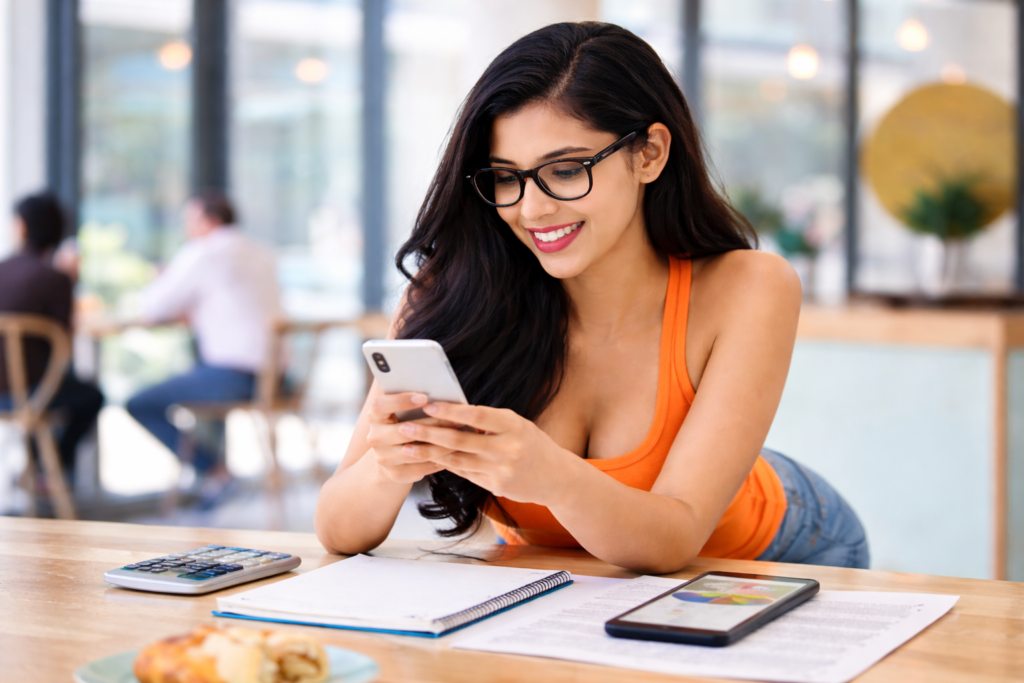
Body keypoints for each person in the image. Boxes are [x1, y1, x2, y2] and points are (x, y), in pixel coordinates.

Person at [315, 22, 869, 573]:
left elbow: (674, 538)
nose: (531, 210)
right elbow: (337, 530)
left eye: (565, 169)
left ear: (649, 153)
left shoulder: (749, 287)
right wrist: (392, 464)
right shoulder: (451, 297)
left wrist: (549, 474)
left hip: (777, 547)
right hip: (587, 575)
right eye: (508, 178)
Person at [126, 191, 279, 480]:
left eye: (190, 221)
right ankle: (215, 479)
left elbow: (152, 307)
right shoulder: (263, 253)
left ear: (208, 221)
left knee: (140, 403)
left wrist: (163, 279)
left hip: (233, 377)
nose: (188, 230)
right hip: (278, 377)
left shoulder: (204, 252)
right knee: (196, 375)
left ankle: (215, 473)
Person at [0, 192, 104, 487]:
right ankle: (48, 470)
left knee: (44, 390)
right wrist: (70, 281)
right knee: (90, 396)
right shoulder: (55, 279)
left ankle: (35, 470)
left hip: (11, 391)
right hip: (26, 393)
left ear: (20, 227)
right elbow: (63, 345)